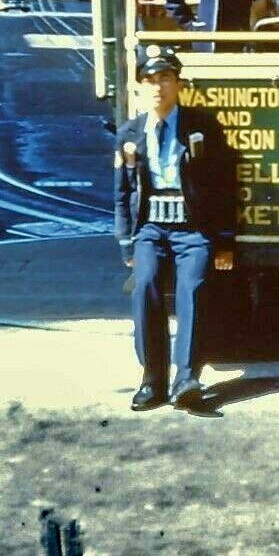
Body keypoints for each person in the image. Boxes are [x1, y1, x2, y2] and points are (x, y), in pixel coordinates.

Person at [113, 44, 238, 413]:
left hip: (193, 228)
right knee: (146, 286)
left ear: (179, 84)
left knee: (194, 289)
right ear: (139, 87)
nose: (157, 87)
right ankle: (152, 379)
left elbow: (223, 185)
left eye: (165, 78)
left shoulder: (202, 126)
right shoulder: (129, 134)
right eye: (150, 80)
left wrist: (225, 241)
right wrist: (126, 244)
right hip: (151, 228)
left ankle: (187, 377)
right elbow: (121, 192)